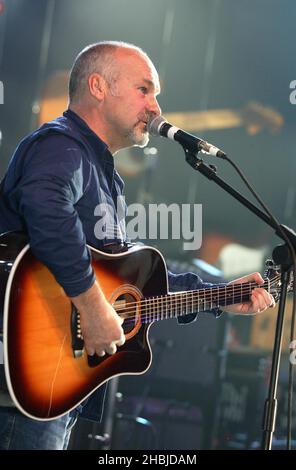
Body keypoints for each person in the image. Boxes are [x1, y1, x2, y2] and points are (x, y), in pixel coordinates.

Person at [0, 41, 275, 450]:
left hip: (57, 384)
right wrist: (93, 308)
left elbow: (140, 281)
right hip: (27, 383)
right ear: (98, 86)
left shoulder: (106, 176)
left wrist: (221, 296)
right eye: (144, 90)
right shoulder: (61, 145)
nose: (155, 108)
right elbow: (46, 209)